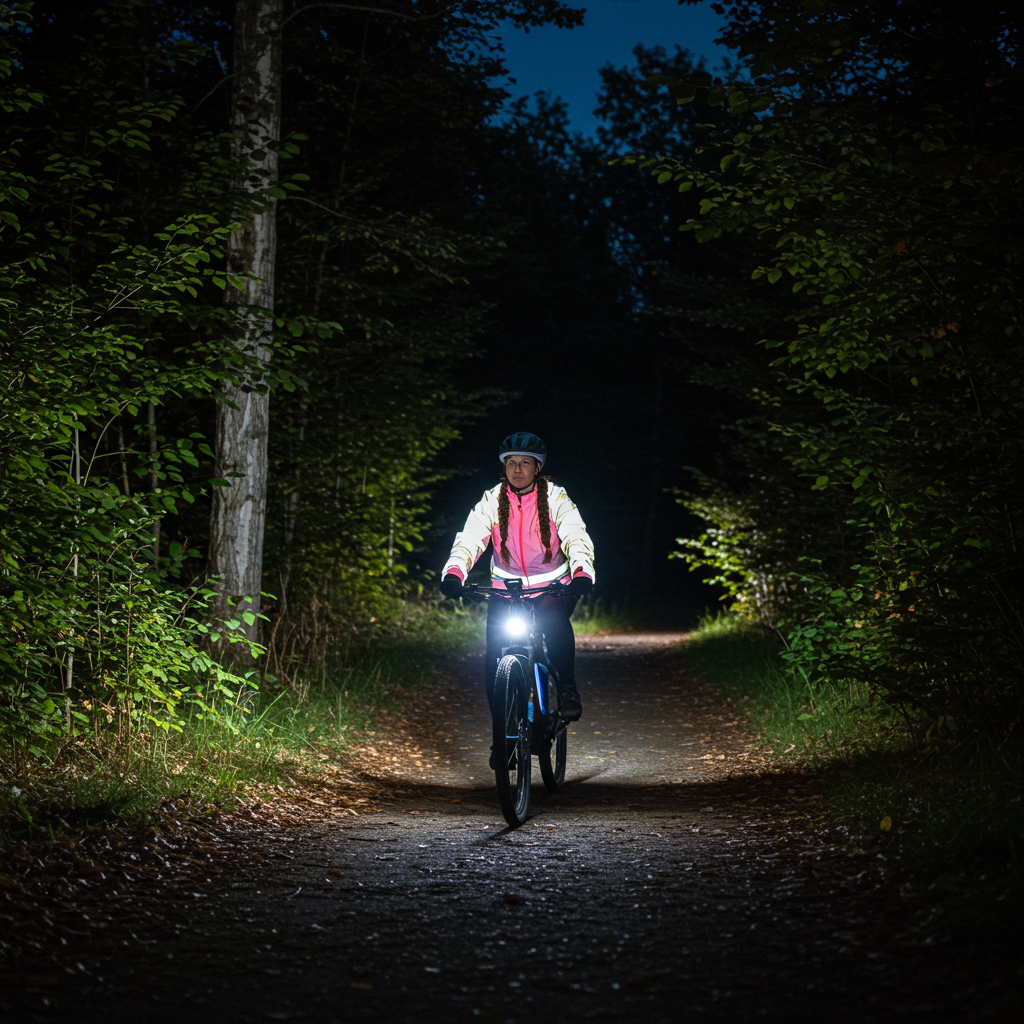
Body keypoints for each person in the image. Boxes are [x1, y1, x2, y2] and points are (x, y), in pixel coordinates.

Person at [439, 432, 595, 762]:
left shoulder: (555, 498)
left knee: (553, 621)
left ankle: (566, 685)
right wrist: (454, 574)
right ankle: (502, 737)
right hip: (506, 590)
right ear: (504, 467)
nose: (518, 469)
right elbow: (469, 539)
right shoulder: (492, 500)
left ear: (538, 468)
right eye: (511, 463)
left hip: (553, 587)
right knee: (494, 657)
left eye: (525, 463)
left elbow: (574, 534)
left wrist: (581, 571)